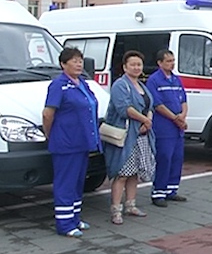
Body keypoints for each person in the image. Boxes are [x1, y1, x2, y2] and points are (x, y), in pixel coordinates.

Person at [42, 47, 100, 238]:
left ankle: (74, 218)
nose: (78, 64)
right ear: (63, 64)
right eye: (73, 61)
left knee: (77, 182)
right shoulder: (58, 85)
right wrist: (51, 134)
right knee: (65, 183)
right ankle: (65, 224)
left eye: (80, 60)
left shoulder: (82, 83)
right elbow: (48, 114)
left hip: (82, 142)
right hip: (66, 143)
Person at [103, 50, 156, 225]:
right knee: (122, 173)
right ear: (125, 67)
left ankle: (131, 205)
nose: (136, 67)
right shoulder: (120, 85)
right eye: (132, 64)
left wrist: (147, 120)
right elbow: (123, 108)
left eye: (139, 64)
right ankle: (116, 210)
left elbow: (150, 105)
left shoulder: (142, 85)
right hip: (126, 136)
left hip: (141, 136)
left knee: (134, 173)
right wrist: (144, 120)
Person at [146, 49, 188, 207]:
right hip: (164, 127)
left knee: (177, 158)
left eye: (173, 60)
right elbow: (157, 104)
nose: (172, 63)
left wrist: (182, 116)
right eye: (169, 61)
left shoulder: (176, 80)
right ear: (160, 63)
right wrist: (175, 118)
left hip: (178, 128)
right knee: (164, 157)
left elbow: (183, 100)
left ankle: (172, 190)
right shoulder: (154, 80)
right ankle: (159, 192)